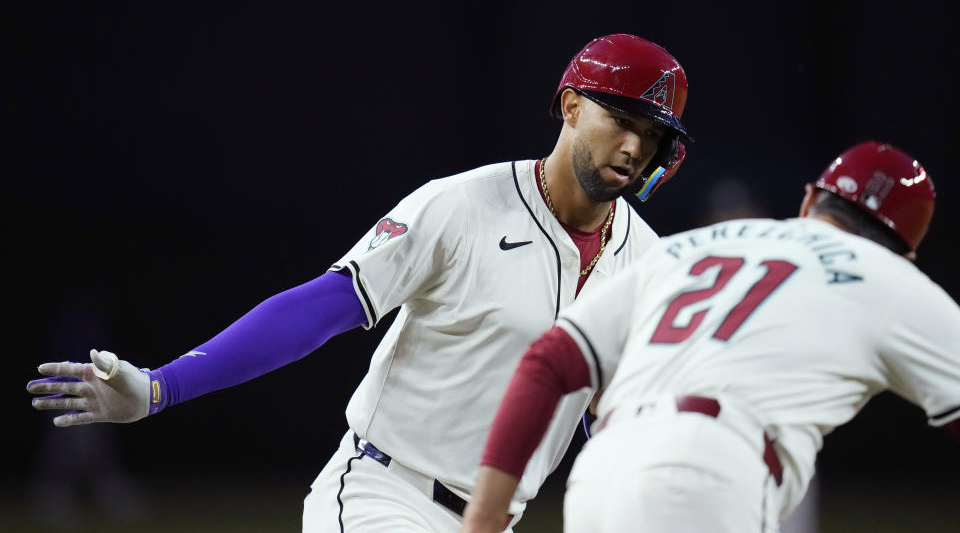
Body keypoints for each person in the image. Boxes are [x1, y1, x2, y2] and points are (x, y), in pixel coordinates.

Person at [27, 33, 694, 532]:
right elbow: (324, 306)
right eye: (623, 122)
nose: (635, 149)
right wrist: (161, 386)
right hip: (384, 496)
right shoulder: (460, 205)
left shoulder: (647, 261)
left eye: (652, 136)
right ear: (571, 106)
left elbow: (617, 413)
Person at [460, 140, 960, 533]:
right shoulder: (886, 276)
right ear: (905, 255)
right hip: (707, 476)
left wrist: (482, 521)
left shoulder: (688, 248)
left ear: (809, 201)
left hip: (599, 476)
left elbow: (548, 361)